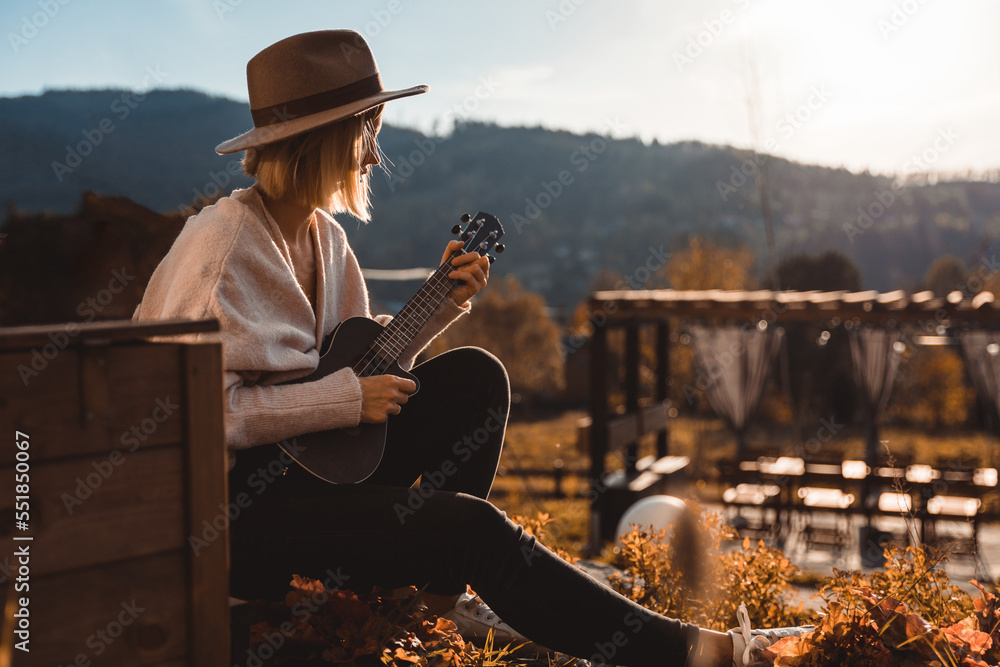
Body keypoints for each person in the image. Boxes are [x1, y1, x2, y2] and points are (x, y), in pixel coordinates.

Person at [134, 29, 810, 667]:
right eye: (365, 131)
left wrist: (441, 308)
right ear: (318, 139)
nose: (374, 153)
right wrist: (346, 399)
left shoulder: (323, 238)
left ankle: (424, 606)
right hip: (243, 520)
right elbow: (198, 417)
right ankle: (693, 653)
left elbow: (357, 362)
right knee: (473, 528)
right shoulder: (221, 249)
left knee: (477, 379)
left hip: (314, 473)